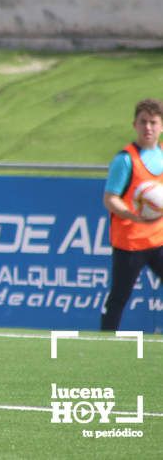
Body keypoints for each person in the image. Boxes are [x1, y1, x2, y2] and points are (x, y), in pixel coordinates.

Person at [101, 98, 163, 330]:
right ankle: (104, 341)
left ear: (161, 126)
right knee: (119, 297)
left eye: (153, 122)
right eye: (143, 122)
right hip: (130, 243)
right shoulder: (126, 160)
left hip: (158, 241)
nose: (148, 127)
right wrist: (132, 215)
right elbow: (110, 198)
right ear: (134, 125)